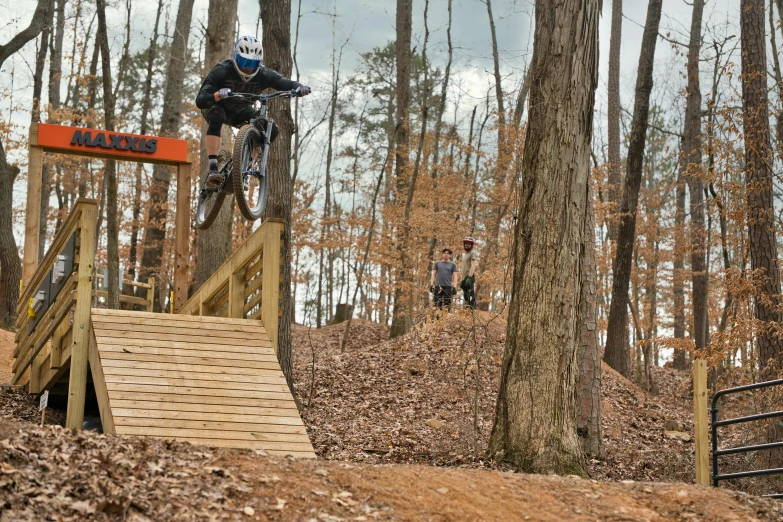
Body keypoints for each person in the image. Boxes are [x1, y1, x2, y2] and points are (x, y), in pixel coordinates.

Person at [196, 35, 311, 187]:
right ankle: (213, 168)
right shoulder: (222, 70)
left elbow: (282, 81)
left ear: (259, 62)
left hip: (240, 110)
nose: (248, 68)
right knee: (218, 115)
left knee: (269, 129)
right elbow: (200, 100)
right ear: (236, 59)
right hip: (216, 107)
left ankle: (244, 167)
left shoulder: (263, 74)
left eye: (253, 63)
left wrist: (299, 87)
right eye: (244, 62)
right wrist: (217, 95)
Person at [460, 237, 479, 309]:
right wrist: (462, 280)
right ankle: (468, 311)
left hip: (469, 277)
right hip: (464, 277)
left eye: (469, 244)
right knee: (466, 296)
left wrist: (469, 277)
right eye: (466, 244)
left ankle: (473, 311)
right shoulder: (465, 255)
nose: (467, 245)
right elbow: (464, 268)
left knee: (471, 295)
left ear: (471, 245)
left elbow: (473, 265)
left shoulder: (472, 253)